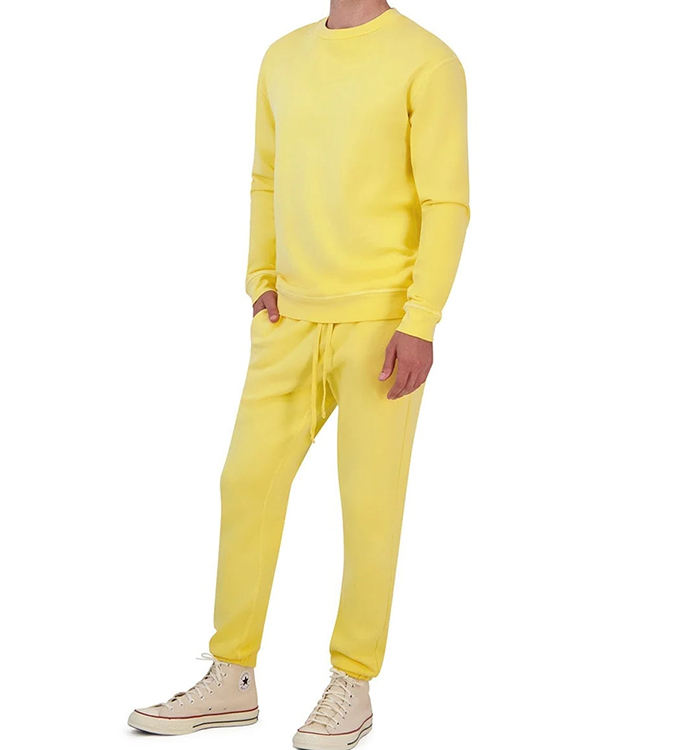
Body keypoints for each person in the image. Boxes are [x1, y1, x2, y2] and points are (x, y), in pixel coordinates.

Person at [127, 2, 470, 747]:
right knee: (245, 482)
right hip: (290, 318)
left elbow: (447, 202)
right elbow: (265, 175)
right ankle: (232, 675)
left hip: (381, 323)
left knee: (368, 506)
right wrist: (261, 277)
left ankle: (353, 683)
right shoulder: (281, 57)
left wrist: (420, 320)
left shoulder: (428, 60)